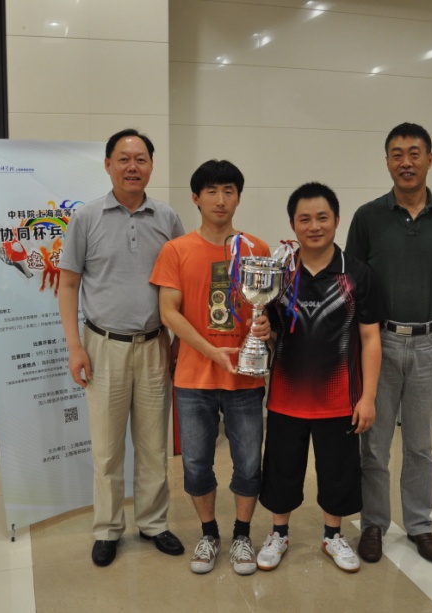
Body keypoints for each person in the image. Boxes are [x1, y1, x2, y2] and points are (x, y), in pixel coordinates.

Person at [58, 128, 186, 567]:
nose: (133, 167)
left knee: (153, 446)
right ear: (108, 164)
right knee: (107, 449)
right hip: (102, 346)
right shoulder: (86, 217)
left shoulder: (167, 218)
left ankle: (153, 522)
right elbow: (68, 284)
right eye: (124, 158)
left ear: (151, 165)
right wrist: (75, 346)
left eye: (141, 159)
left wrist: (176, 342)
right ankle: (108, 529)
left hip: (154, 345)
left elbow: (180, 285)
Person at [346, 122, 432, 564]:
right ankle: (374, 524)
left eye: (414, 153)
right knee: (374, 444)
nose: (406, 162)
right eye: (396, 154)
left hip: (431, 343)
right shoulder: (367, 217)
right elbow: (352, 287)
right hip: (379, 342)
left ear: (429, 160)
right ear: (386, 162)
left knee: (420, 445)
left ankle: (419, 524)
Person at [253, 182, 385, 574]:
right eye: (305, 219)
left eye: (322, 218)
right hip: (286, 397)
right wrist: (264, 332)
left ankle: (332, 536)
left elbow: (370, 339)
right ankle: (279, 533)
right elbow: (272, 331)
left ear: (336, 220)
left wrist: (368, 398)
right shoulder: (280, 274)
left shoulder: (357, 274)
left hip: (339, 399)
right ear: (293, 224)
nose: (314, 226)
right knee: (281, 470)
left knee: (337, 473)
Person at [150, 159, 269, 575]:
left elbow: (270, 310)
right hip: (193, 378)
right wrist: (211, 351)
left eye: (229, 191)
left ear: (238, 198)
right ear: (196, 198)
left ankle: (242, 535)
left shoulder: (257, 249)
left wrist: (268, 328)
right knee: (196, 464)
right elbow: (169, 312)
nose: (221, 200)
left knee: (249, 463)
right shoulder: (176, 250)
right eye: (212, 191)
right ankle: (209, 533)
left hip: (246, 378)